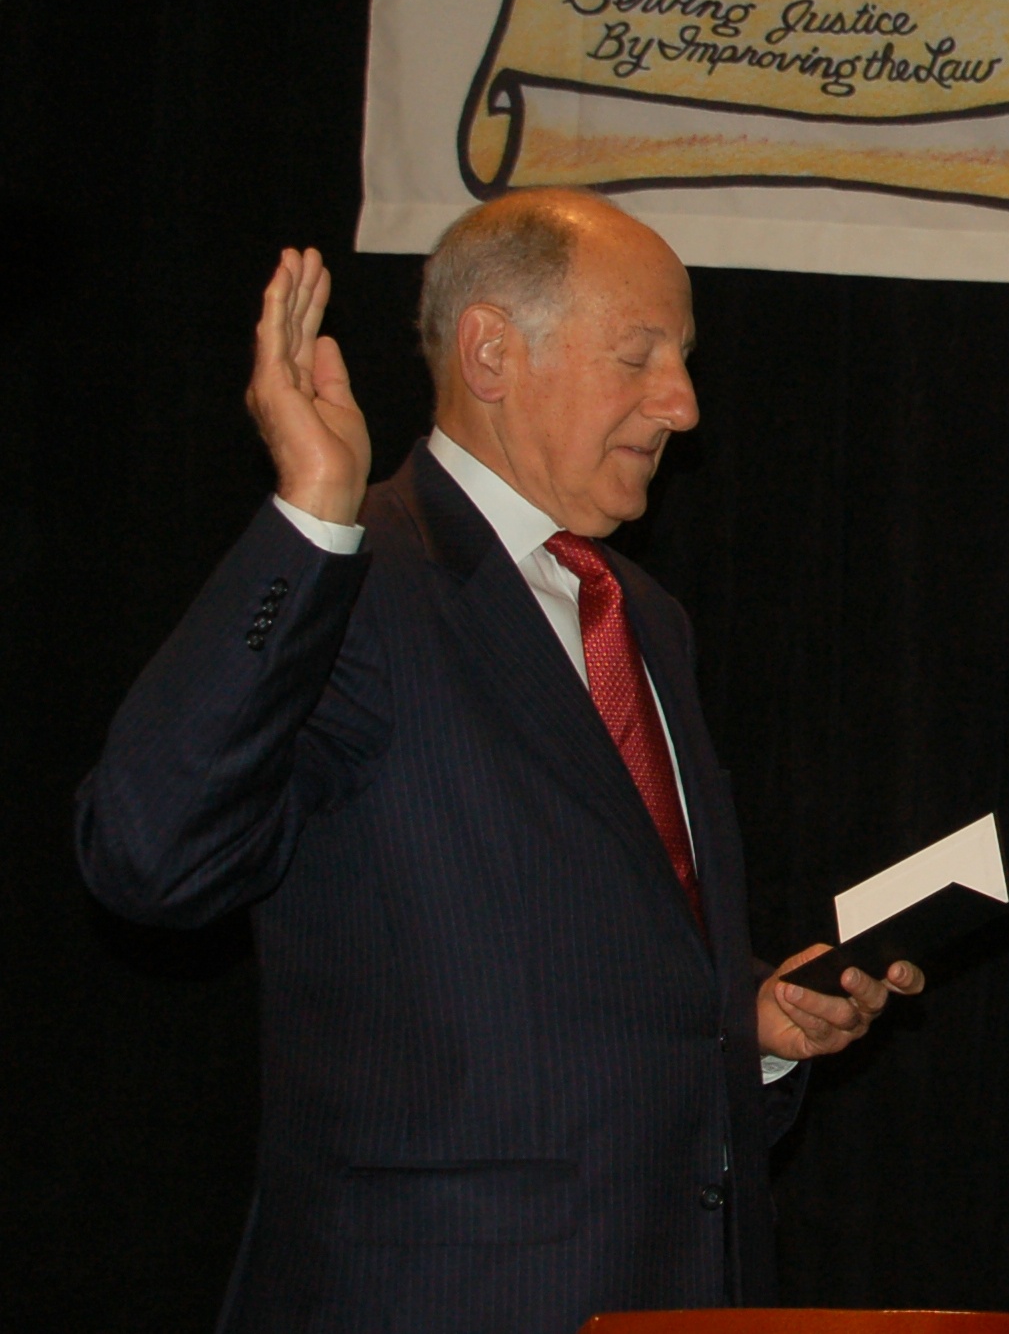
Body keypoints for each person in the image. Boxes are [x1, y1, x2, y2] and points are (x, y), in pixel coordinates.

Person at [77, 189, 920, 1333]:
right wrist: (312, 514)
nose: (682, 402)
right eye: (640, 355)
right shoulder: (359, 580)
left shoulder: (643, 616)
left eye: (683, 359)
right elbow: (147, 855)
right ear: (490, 354)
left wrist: (748, 1030)